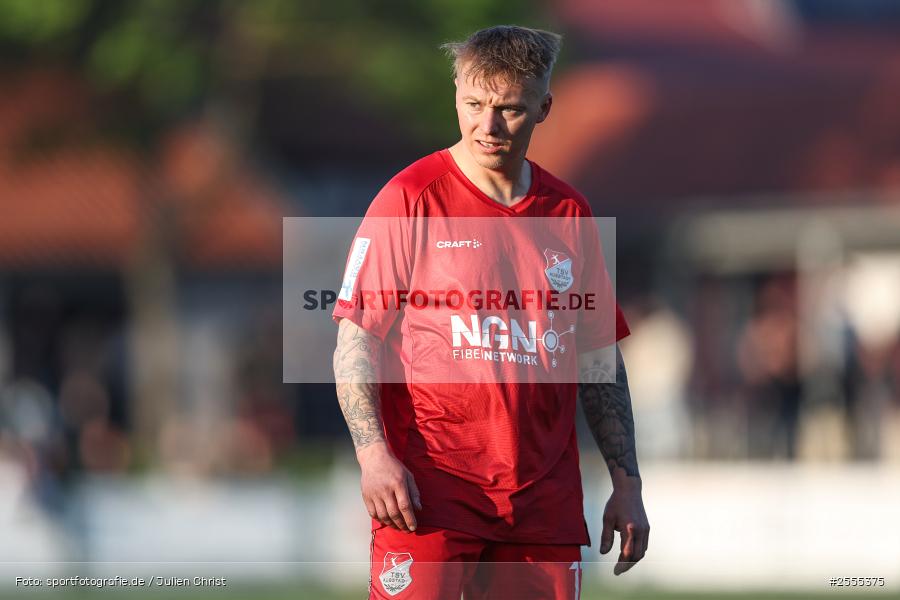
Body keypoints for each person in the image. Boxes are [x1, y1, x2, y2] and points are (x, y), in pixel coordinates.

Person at [332, 25, 649, 599]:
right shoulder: (409, 199)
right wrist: (373, 455)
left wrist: (627, 484)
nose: (488, 125)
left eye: (508, 109)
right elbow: (355, 342)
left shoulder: (568, 214)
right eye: (474, 104)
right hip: (429, 494)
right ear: (456, 94)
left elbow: (600, 360)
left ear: (544, 108)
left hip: (541, 503)